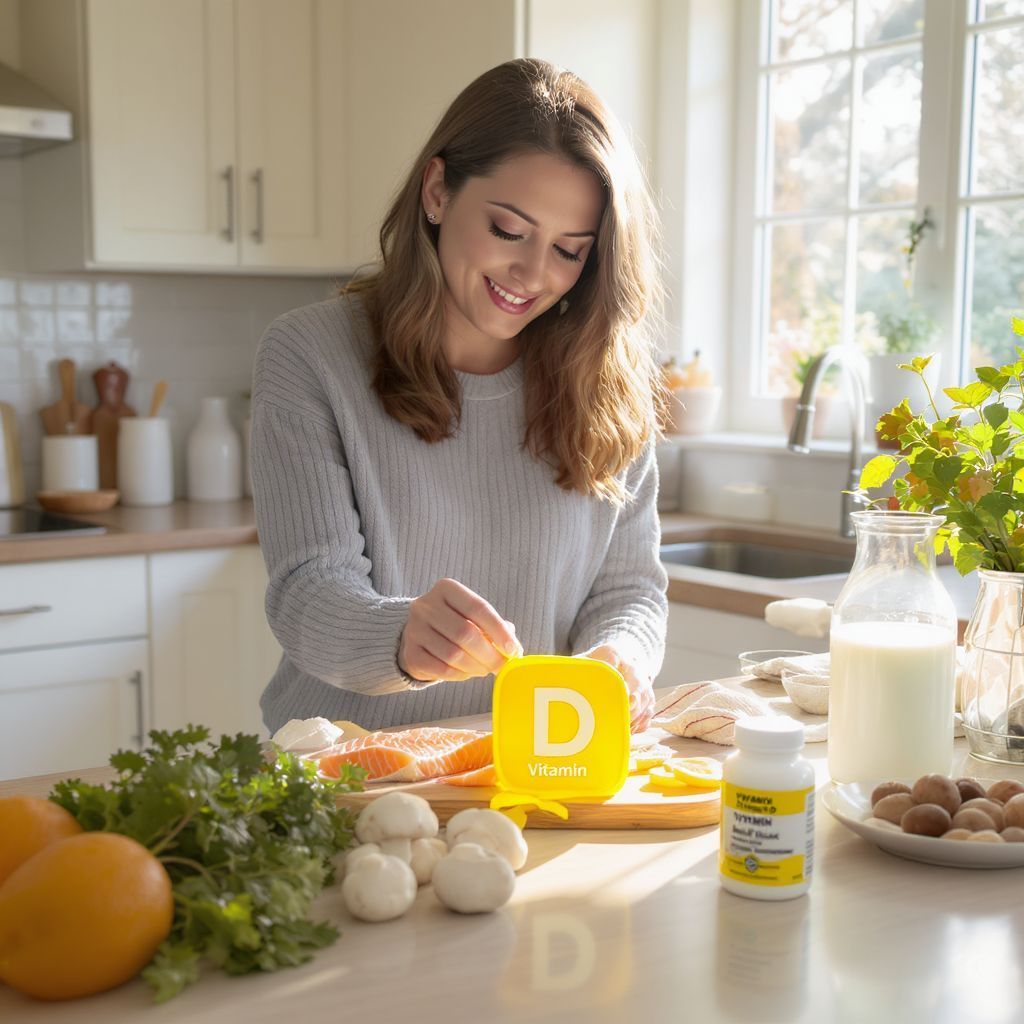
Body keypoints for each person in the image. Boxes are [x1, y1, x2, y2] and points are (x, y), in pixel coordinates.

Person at [251, 58, 668, 737]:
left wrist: (620, 656)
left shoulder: (607, 379)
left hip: (530, 766)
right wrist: (403, 638)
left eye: (569, 250)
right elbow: (308, 594)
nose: (533, 274)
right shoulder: (311, 354)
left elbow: (629, 592)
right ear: (438, 190)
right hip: (343, 768)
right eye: (509, 230)